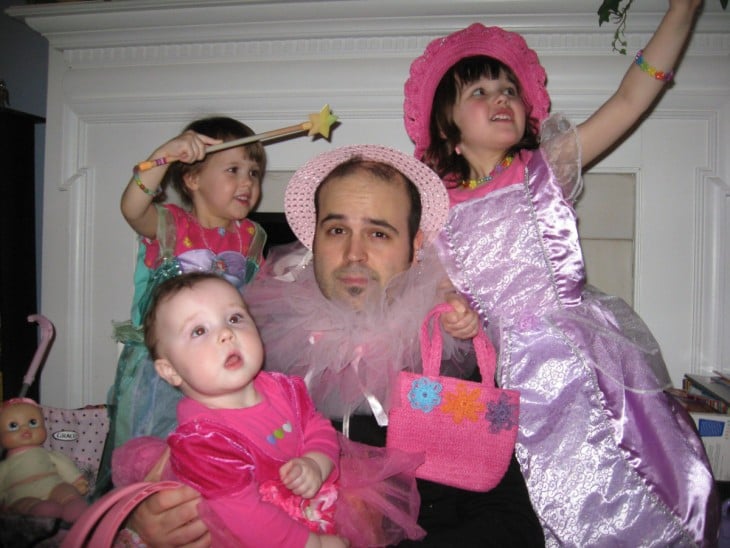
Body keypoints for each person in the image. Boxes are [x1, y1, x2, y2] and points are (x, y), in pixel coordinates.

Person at [402, 1, 718, 545]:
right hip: (506, 379)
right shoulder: (436, 211)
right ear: (447, 128)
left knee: (630, 478)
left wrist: (681, 13)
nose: (501, 97)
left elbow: (630, 100)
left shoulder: (544, 168)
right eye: (478, 91)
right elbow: (436, 285)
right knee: (534, 500)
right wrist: (455, 311)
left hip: (585, 361)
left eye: (508, 89)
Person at [126, 144, 544, 547]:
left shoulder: (445, 353)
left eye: (379, 233)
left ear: (414, 247)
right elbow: (177, 457)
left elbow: (513, 527)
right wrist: (142, 514)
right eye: (337, 230)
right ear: (313, 240)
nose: (353, 254)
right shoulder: (251, 346)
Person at [112, 271, 424, 547]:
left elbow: (316, 428)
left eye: (234, 318)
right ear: (170, 371)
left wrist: (317, 462)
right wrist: (309, 543)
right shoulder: (203, 440)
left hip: (302, 506)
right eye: (198, 331)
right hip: (248, 532)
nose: (226, 334)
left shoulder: (281, 388)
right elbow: (244, 514)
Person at [101, 116, 268, 494]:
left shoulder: (251, 235)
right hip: (162, 370)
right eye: (233, 170)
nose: (248, 183)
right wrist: (163, 157)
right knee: (153, 456)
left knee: (210, 454)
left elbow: (252, 297)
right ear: (192, 179)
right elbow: (131, 207)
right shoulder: (169, 225)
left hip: (221, 365)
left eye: (254, 172)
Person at [0, 398, 88, 523]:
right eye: (13, 426)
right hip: (22, 495)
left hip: (52, 486)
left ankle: (73, 505)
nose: (25, 429)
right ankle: (40, 511)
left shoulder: (47, 454)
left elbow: (64, 465)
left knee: (66, 490)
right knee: (24, 505)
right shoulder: (5, 466)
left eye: (32, 423)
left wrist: (76, 480)